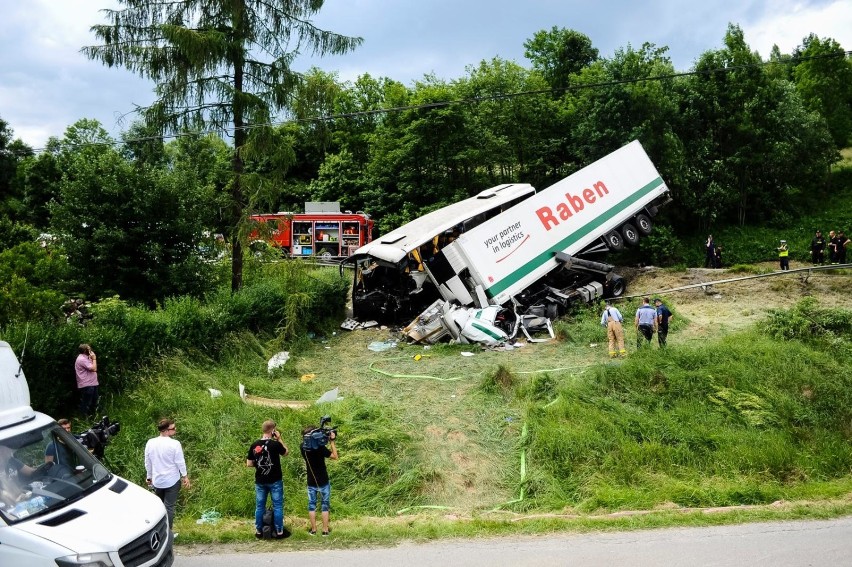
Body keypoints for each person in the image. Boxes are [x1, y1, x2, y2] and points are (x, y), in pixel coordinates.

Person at [144, 418, 190, 534]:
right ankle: (168, 532)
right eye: (173, 429)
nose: (175, 430)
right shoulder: (175, 444)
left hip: (157, 481)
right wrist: (185, 476)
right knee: (169, 507)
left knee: (159, 507)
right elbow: (180, 462)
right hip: (172, 481)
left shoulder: (150, 442)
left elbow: (147, 462)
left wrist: (149, 477)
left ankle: (158, 532)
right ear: (165, 430)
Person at [246, 419, 289, 539]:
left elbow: (249, 463)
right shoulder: (275, 444)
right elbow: (286, 452)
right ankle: (279, 531)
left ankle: (259, 531)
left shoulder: (254, 445)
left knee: (260, 506)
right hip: (275, 480)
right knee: (278, 506)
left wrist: (259, 465)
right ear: (273, 430)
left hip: (260, 481)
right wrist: (279, 439)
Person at [301, 425, 338, 536]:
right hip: (323, 481)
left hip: (311, 481)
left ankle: (313, 530)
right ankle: (325, 530)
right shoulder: (320, 449)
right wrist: (331, 441)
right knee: (325, 505)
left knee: (311, 505)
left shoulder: (302, 447)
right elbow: (335, 456)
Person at [74, 344, 99, 417]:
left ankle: (93, 417)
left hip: (92, 384)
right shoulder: (82, 359)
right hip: (87, 385)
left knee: (94, 401)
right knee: (86, 403)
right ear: (85, 351)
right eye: (89, 349)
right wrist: (94, 359)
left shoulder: (86, 358)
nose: (91, 350)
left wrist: (91, 358)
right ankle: (83, 418)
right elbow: (94, 368)